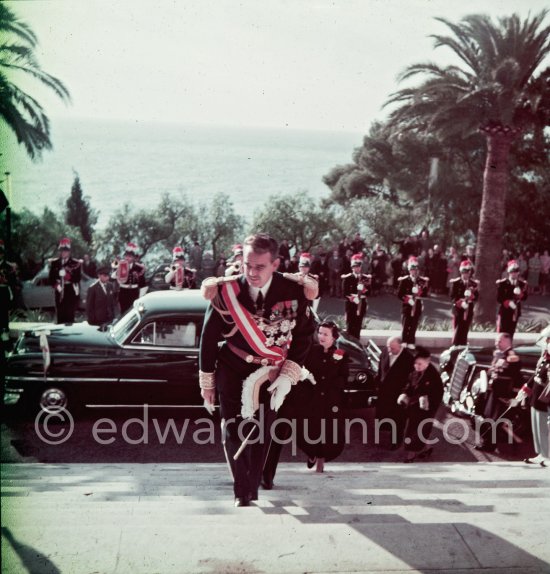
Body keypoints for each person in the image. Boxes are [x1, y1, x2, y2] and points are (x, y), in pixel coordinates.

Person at [199, 233, 316, 507]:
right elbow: (207, 337)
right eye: (246, 265)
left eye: (259, 267)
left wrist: (289, 373)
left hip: (271, 372)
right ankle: (242, 491)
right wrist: (207, 383)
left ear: (275, 264)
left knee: (263, 430)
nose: (251, 272)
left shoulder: (294, 291)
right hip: (232, 366)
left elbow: (304, 335)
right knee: (233, 428)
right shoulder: (226, 291)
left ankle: (253, 485)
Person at [299, 321, 349, 473]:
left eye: (325, 334)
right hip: (311, 398)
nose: (321, 336)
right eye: (319, 333)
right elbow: (303, 370)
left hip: (330, 400)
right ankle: (311, 453)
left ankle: (321, 460)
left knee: (327, 431)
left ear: (334, 337)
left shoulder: (340, 354)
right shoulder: (311, 350)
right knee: (308, 429)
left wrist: (329, 383)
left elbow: (343, 377)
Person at [475, 332, 523, 453]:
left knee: (494, 419)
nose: (497, 343)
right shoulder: (501, 354)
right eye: (496, 341)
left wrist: (500, 359)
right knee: (487, 416)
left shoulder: (511, 355)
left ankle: (489, 445)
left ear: (507, 342)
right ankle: (486, 442)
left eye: (499, 341)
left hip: (502, 394)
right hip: (495, 391)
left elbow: (512, 367)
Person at [397, 346, 443, 462]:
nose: (417, 366)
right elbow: (409, 385)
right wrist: (405, 394)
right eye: (416, 363)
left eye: (420, 364)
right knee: (419, 430)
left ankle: (410, 455)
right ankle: (427, 448)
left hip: (426, 408)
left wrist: (426, 400)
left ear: (428, 363)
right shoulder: (415, 371)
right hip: (415, 406)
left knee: (415, 430)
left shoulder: (433, 376)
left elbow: (437, 394)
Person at [375, 336, 414, 449]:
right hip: (384, 393)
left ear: (400, 346)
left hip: (398, 395)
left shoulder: (409, 359)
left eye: (392, 348)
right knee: (385, 417)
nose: (389, 351)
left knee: (397, 420)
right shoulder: (385, 352)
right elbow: (380, 370)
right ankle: (386, 433)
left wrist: (405, 393)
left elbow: (411, 380)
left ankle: (396, 442)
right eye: (388, 347)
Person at [518, 335, 550, 467]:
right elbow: (535, 375)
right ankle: (541, 454)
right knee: (537, 428)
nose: (546, 344)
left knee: (545, 429)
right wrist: (525, 389)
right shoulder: (544, 359)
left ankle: (548, 455)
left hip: (545, 399)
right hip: (536, 398)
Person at [397, 256, 429, 349]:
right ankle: (404, 341)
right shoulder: (404, 280)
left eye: (415, 270)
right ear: (409, 270)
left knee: (414, 324)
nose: (413, 272)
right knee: (406, 324)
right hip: (407, 305)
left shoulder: (421, 281)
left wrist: (421, 291)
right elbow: (399, 294)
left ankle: (411, 341)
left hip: (417, 304)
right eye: (412, 270)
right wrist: (408, 300)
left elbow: (425, 294)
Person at [48, 237, 82, 324]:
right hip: (59, 291)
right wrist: (57, 286)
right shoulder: (55, 263)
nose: (63, 252)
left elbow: (78, 278)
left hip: (70, 290)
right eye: (62, 250)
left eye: (65, 251)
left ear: (69, 252)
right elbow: (51, 279)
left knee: (70, 315)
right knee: (60, 314)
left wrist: (67, 277)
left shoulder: (75, 263)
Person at [449, 259, 479, 346]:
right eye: (464, 271)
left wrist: (472, 297)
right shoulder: (456, 282)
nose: (465, 274)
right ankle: (455, 345)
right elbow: (452, 296)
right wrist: (460, 303)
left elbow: (477, 296)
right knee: (458, 327)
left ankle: (463, 345)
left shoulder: (473, 283)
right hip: (458, 309)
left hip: (469, 308)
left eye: (467, 271)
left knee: (465, 327)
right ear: (461, 272)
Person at [342, 254, 371, 340]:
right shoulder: (347, 278)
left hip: (361, 304)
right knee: (350, 324)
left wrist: (363, 290)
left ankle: (357, 342)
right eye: (355, 267)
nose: (357, 268)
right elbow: (344, 293)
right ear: (352, 267)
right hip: (351, 303)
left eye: (358, 267)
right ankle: (349, 343)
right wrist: (353, 298)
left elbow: (369, 292)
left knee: (358, 324)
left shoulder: (365, 278)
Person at [111, 242, 146, 315]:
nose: (127, 258)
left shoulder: (139, 267)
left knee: (134, 311)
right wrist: (118, 269)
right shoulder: (120, 265)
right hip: (123, 291)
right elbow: (112, 276)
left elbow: (143, 283)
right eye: (126, 256)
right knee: (123, 312)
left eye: (130, 256)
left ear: (133, 258)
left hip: (134, 292)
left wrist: (141, 297)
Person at [496, 260, 528, 339]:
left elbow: (525, 297)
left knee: (511, 330)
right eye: (512, 272)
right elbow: (499, 298)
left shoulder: (522, 284)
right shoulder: (503, 283)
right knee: (502, 330)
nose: (514, 273)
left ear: (518, 272)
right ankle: (501, 348)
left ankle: (509, 347)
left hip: (515, 311)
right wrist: (506, 302)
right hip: (505, 310)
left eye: (516, 271)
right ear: (508, 272)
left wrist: (521, 295)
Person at [0, 240, 16, 340]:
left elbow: (13, 281)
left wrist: (5, 280)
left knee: (4, 313)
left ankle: (4, 332)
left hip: (3, 291)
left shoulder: (8, 266)